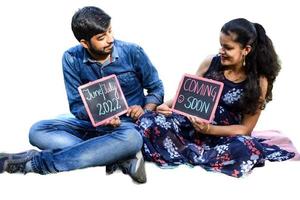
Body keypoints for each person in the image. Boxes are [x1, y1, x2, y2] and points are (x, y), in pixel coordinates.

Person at [0, 6, 164, 183]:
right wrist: (100, 117)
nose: (110, 39)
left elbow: (156, 88)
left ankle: (36, 163)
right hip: (90, 124)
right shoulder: (71, 58)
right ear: (84, 43)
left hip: (126, 126)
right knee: (37, 130)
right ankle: (116, 156)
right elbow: (76, 105)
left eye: (110, 31)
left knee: (133, 139)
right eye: (101, 37)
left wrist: (144, 108)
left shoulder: (133, 52)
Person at [137, 18, 295, 177]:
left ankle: (189, 152)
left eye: (228, 48)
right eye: (221, 45)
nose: (221, 51)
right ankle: (189, 150)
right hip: (190, 125)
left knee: (247, 147)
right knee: (149, 121)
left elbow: (245, 129)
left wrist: (209, 129)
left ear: (246, 50)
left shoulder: (259, 81)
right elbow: (186, 95)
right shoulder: (210, 62)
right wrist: (165, 106)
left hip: (222, 136)